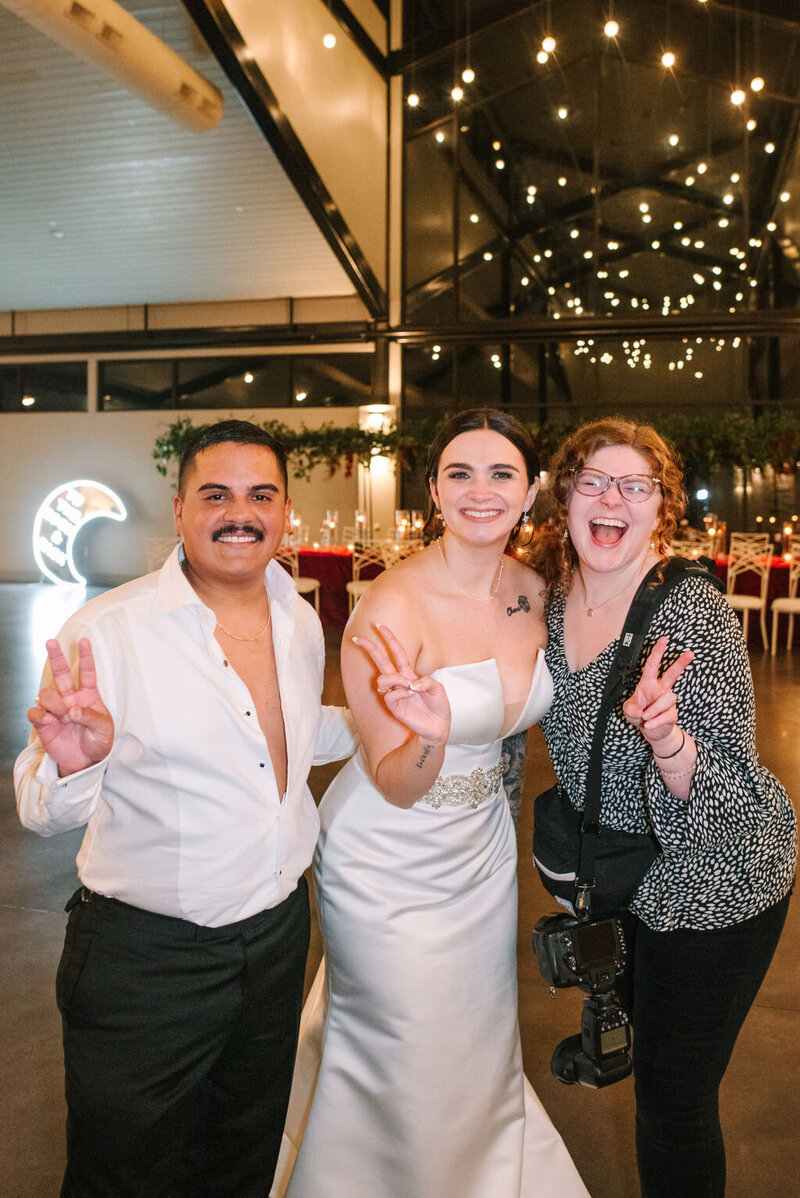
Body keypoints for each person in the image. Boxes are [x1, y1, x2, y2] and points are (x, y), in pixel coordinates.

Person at [14, 420, 356, 1198]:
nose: (240, 512)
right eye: (216, 494)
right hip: (147, 962)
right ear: (179, 510)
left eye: (260, 494)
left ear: (285, 511)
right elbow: (40, 807)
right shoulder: (109, 631)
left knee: (240, 1155)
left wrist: (387, 722)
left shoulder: (297, 618)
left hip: (276, 938)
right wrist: (78, 763)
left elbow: (292, 734)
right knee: (123, 1174)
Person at [280, 409, 590, 1198]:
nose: (479, 491)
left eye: (501, 474)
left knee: (473, 1039)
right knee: (406, 1036)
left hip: (483, 850)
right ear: (433, 490)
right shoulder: (391, 608)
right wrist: (433, 733)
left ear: (529, 493)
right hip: (390, 852)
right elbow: (396, 781)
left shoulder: (538, 593)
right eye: (460, 473)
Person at [524, 417, 796, 1198]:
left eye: (635, 486)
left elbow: (731, 808)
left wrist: (670, 740)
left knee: (673, 1101)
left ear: (660, 508)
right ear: (568, 496)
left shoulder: (691, 615)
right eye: (595, 481)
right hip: (624, 879)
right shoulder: (548, 600)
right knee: (651, 1061)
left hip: (716, 885)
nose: (613, 498)